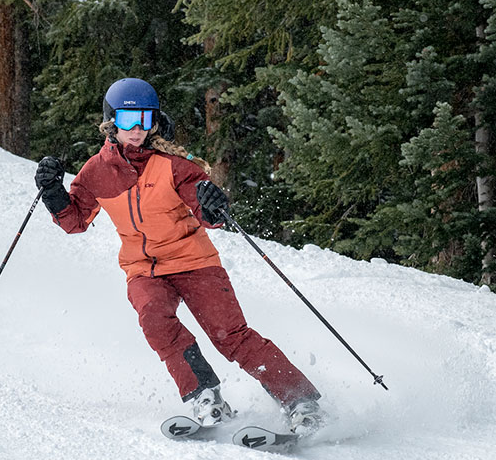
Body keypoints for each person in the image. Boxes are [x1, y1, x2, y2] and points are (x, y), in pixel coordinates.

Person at [34, 77, 323, 433]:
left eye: (144, 119)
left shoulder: (174, 165)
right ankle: (205, 396)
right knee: (154, 319)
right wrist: (53, 192)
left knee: (230, 336)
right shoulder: (96, 172)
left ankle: (300, 400)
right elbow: (74, 221)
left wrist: (214, 206)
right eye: (127, 121)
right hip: (144, 270)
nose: (136, 129)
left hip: (194, 262)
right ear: (111, 123)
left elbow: (207, 212)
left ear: (154, 120)